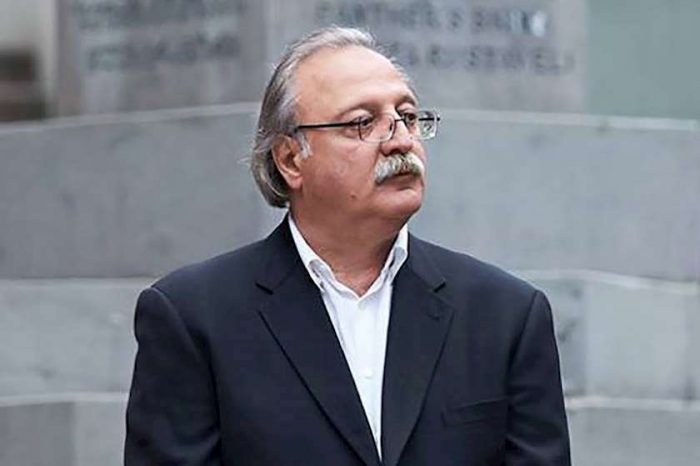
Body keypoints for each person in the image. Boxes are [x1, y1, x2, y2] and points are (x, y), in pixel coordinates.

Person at [125, 26, 570, 466]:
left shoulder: (506, 315)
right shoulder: (194, 317)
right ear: (290, 159)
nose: (401, 141)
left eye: (408, 117)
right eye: (362, 123)